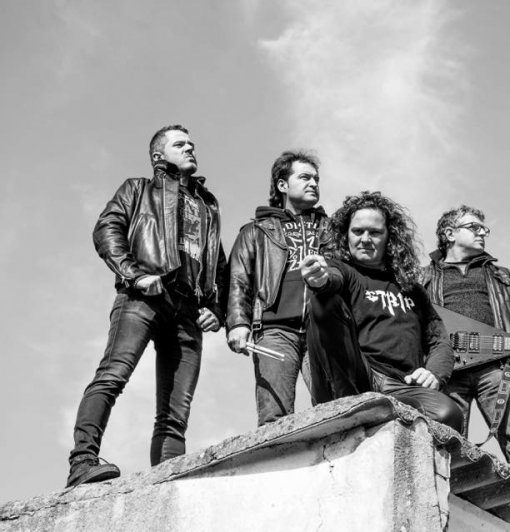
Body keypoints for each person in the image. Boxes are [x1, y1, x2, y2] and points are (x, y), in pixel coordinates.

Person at [67, 125, 227, 488]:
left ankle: (167, 484)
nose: (190, 147)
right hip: (143, 298)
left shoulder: (207, 205)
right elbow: (106, 230)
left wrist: (215, 309)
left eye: (191, 143)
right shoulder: (137, 189)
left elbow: (218, 263)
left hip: (189, 310)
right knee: (113, 376)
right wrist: (134, 274)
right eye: (180, 144)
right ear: (158, 156)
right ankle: (82, 462)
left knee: (175, 412)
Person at [299, 191, 463, 431]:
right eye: (357, 231)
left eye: (374, 232)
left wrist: (434, 373)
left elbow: (439, 341)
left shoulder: (413, 290)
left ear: (389, 237)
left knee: (449, 414)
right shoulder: (342, 270)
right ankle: (346, 408)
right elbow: (331, 279)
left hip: (401, 386)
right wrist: (320, 279)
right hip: (355, 377)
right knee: (323, 301)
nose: (365, 239)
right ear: (346, 235)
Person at [421, 206, 510, 484]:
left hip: (497, 368)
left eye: (484, 229)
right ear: (449, 233)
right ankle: (447, 501)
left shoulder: (502, 275)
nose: (482, 233)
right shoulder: (422, 278)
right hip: (446, 370)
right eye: (474, 227)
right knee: (444, 440)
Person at [226, 151, 330, 425]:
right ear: (282, 185)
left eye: (316, 179)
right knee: (274, 419)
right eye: (305, 177)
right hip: (274, 331)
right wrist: (238, 323)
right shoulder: (256, 230)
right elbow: (238, 279)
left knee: (336, 408)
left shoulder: (332, 230)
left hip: (324, 331)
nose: (313, 183)